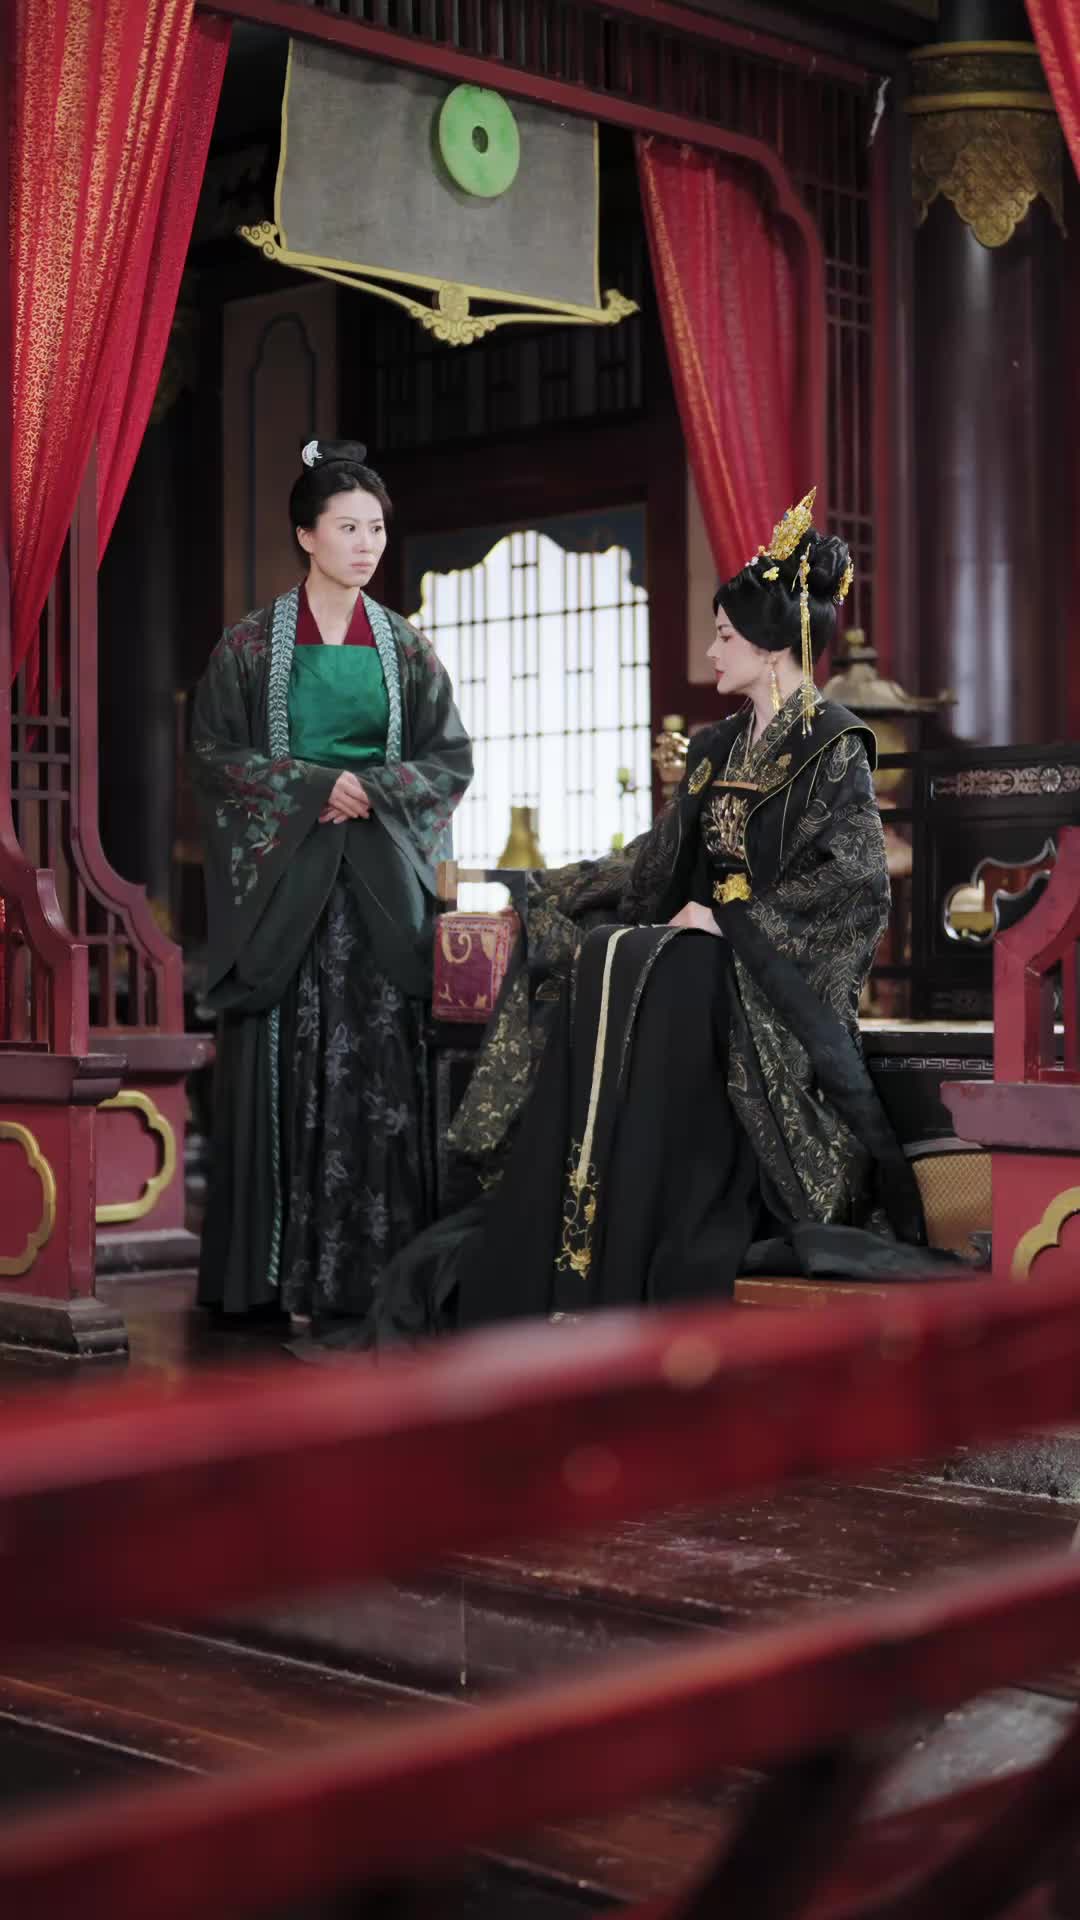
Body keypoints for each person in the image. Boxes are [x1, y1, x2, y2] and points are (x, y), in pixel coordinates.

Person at [303, 489, 937, 1360]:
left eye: (723, 636)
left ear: (768, 648)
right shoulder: (719, 747)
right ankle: (588, 1237)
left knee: (667, 965)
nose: (711, 650)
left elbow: (857, 884)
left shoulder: (833, 745)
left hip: (768, 978)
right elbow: (654, 862)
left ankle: (648, 1222)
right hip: (702, 952)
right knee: (608, 947)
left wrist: (731, 922)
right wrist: (552, 888)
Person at [191, 438, 472, 1325]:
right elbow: (215, 757)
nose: (366, 544)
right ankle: (275, 1278)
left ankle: (377, 1276)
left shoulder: (407, 648)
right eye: (348, 527)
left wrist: (371, 790)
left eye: (376, 529)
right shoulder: (248, 647)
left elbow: (448, 759)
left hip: (381, 876)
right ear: (306, 535)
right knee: (284, 1055)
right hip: (287, 884)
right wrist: (315, 787)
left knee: (385, 1060)